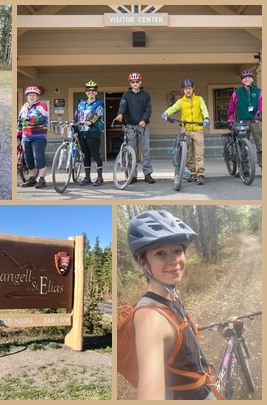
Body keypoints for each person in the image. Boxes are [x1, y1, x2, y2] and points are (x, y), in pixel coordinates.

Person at [127, 210, 218, 400]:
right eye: (160, 253)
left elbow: (171, 335)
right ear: (143, 263)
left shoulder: (169, 294)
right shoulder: (150, 318)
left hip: (203, 386)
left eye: (178, 250)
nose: (174, 261)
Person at [161, 79, 210, 185]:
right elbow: (173, 108)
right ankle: (192, 171)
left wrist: (206, 118)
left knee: (199, 153)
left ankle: (200, 174)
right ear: (183, 90)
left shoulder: (199, 99)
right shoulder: (181, 101)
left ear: (193, 89)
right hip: (186, 130)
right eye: (186, 88)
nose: (188, 90)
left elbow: (204, 109)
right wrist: (165, 113)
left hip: (198, 129)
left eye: (190, 88)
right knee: (188, 153)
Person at [115, 72, 155, 184]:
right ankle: (132, 175)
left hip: (143, 126)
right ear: (130, 83)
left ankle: (147, 174)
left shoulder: (146, 95)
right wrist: (120, 113)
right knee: (131, 151)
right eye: (133, 82)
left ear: (140, 82)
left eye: (137, 81)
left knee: (145, 150)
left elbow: (148, 109)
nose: (135, 83)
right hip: (131, 126)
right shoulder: (126, 95)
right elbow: (123, 104)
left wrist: (144, 120)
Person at [227, 69, 262, 168]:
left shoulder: (259, 92)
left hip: (256, 121)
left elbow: (262, 106)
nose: (247, 79)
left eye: (249, 78)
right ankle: (244, 168)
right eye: (245, 78)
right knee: (242, 146)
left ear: (252, 79)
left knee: (261, 144)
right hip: (242, 122)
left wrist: (258, 116)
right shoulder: (237, 92)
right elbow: (231, 107)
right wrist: (230, 119)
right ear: (242, 80)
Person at [17, 86, 49, 189]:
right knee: (28, 159)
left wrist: (28, 120)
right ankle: (31, 179)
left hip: (38, 135)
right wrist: (19, 132)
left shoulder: (42, 106)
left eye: (33, 95)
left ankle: (42, 179)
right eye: (29, 95)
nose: (31, 97)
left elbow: (42, 118)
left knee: (38, 158)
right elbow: (19, 121)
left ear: (37, 97)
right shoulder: (24, 107)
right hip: (26, 136)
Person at [74, 81, 104, 186]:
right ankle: (87, 178)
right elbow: (76, 117)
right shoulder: (81, 103)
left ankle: (100, 178)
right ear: (86, 92)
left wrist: (91, 122)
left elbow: (98, 115)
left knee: (95, 155)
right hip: (82, 133)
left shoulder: (99, 103)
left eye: (93, 90)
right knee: (86, 155)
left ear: (96, 92)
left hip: (93, 132)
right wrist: (75, 131)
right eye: (88, 90)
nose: (90, 92)